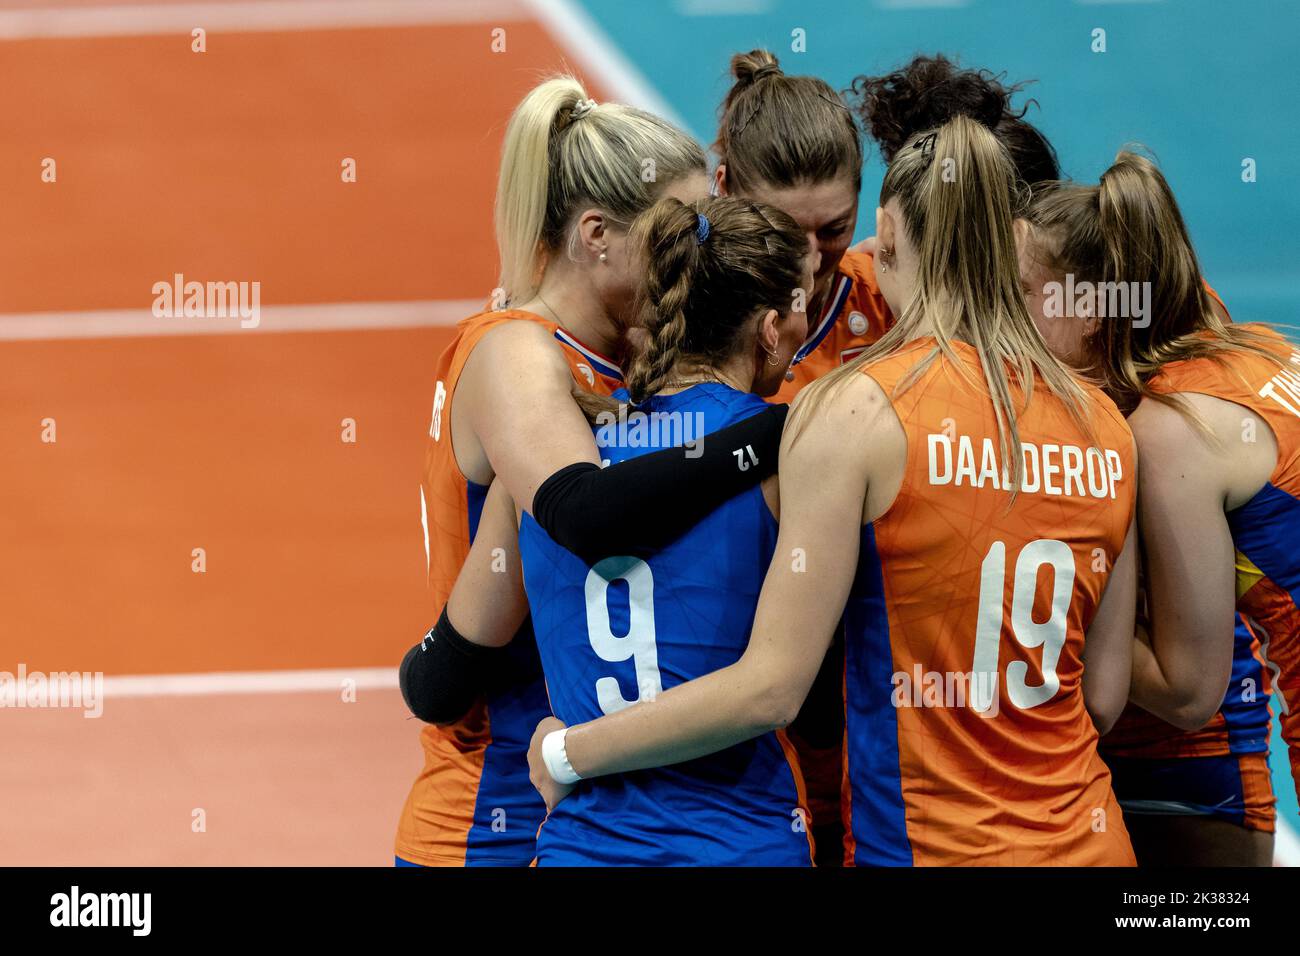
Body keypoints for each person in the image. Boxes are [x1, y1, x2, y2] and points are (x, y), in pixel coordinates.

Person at [529, 116, 1140, 866]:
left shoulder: (858, 410)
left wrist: (567, 752)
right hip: (1089, 839)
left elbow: (774, 686)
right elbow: (1105, 697)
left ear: (884, 238)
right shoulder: (1104, 422)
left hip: (926, 846)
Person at [395, 76, 790, 866]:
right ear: (596, 233)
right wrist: (779, 437)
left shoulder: (594, 358)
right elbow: (586, 516)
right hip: (500, 809)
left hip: (591, 797)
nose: (692, 255)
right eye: (673, 232)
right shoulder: (517, 353)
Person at [1023, 152, 1293, 865]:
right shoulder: (1257, 348)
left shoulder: (1169, 430)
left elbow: (1185, 690)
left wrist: (1037, 631)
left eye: (1016, 293)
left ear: (1086, 313)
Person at [712, 50, 892, 859]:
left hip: (876, 732)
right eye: (789, 235)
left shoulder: (892, 305)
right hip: (730, 725)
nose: (815, 262)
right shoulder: (666, 320)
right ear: (724, 190)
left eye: (836, 230)